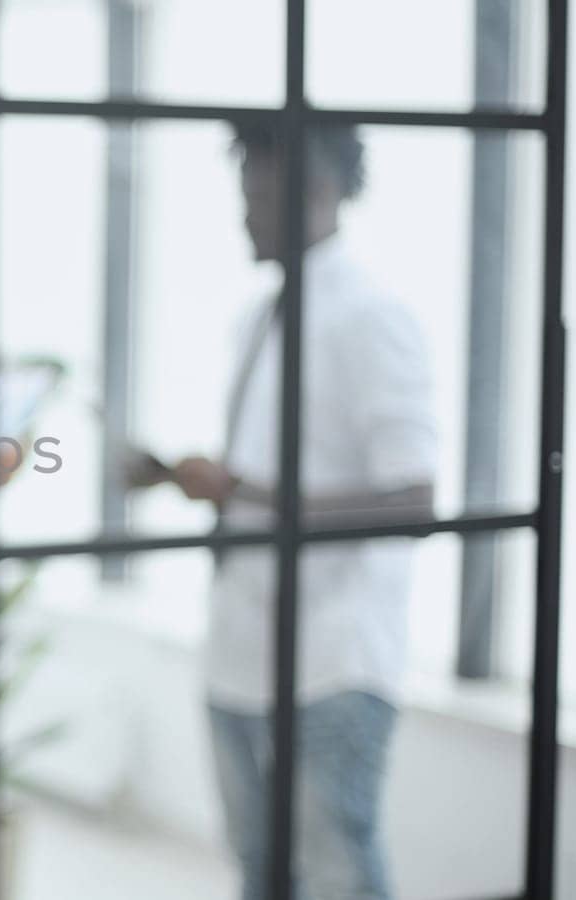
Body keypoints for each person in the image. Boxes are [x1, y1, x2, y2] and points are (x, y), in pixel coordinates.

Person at [129, 124, 437, 900]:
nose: (245, 219)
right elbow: (264, 476)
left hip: (331, 658)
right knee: (259, 868)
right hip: (242, 652)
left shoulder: (370, 317)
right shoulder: (259, 317)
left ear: (320, 194)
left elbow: (414, 501)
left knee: (337, 872)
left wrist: (241, 490)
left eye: (260, 199)